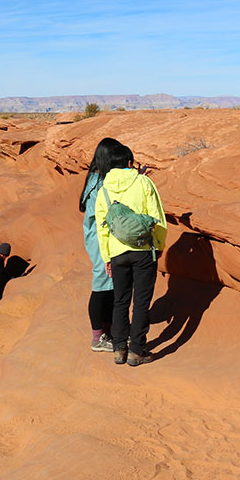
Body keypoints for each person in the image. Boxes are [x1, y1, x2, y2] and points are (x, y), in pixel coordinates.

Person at [95, 143, 167, 366]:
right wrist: (160, 245)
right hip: (143, 249)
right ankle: (137, 350)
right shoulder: (143, 181)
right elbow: (157, 216)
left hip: (117, 253)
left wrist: (107, 256)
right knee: (141, 302)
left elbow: (102, 227)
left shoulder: (103, 190)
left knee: (120, 301)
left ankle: (119, 349)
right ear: (128, 162)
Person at [78, 138, 125, 352]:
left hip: (103, 238)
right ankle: (98, 337)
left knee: (110, 284)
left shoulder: (98, 178)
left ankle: (108, 329)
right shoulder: (98, 181)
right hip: (99, 239)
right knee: (101, 283)